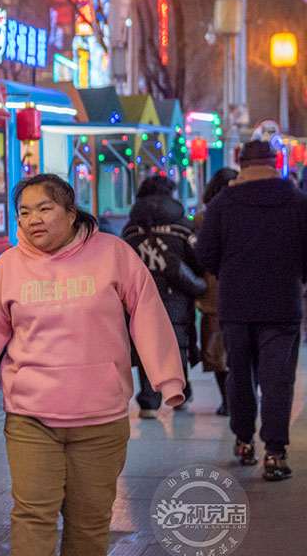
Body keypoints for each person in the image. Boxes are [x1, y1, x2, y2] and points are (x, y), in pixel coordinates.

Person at [0, 174, 184, 556]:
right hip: (30, 413)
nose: (33, 219)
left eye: (44, 209)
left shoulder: (114, 254)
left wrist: (166, 379)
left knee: (90, 510)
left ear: (71, 210)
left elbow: (147, 310)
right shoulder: (9, 266)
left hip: (101, 412)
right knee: (32, 506)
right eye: (23, 211)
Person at [195, 139, 307, 481]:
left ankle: (243, 441)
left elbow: (204, 254)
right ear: (275, 163)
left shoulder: (223, 203)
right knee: (278, 379)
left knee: (240, 376)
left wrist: (228, 272)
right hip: (282, 304)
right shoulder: (298, 201)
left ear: (241, 163)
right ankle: (275, 453)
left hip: (236, 304)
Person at [121, 175, 206, 418]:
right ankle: (180, 393)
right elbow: (199, 261)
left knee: (145, 345)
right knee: (178, 342)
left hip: (139, 297)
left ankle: (149, 400)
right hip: (176, 295)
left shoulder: (130, 229)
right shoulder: (182, 226)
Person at [194, 167, 238, 416]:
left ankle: (228, 400)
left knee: (216, 348)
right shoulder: (243, 214)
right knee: (234, 349)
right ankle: (237, 399)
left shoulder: (201, 218)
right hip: (233, 287)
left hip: (212, 292)